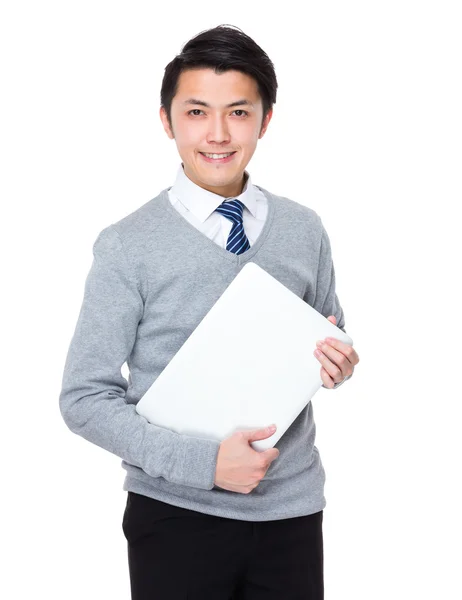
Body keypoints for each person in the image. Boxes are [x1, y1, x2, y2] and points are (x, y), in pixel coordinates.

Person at [59, 23, 359, 600]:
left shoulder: (304, 228)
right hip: (176, 515)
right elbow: (83, 398)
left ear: (265, 119)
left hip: (292, 513)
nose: (218, 134)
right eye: (197, 112)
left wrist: (339, 363)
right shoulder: (129, 244)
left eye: (238, 113)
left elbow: (328, 333)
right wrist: (203, 465)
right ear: (168, 120)